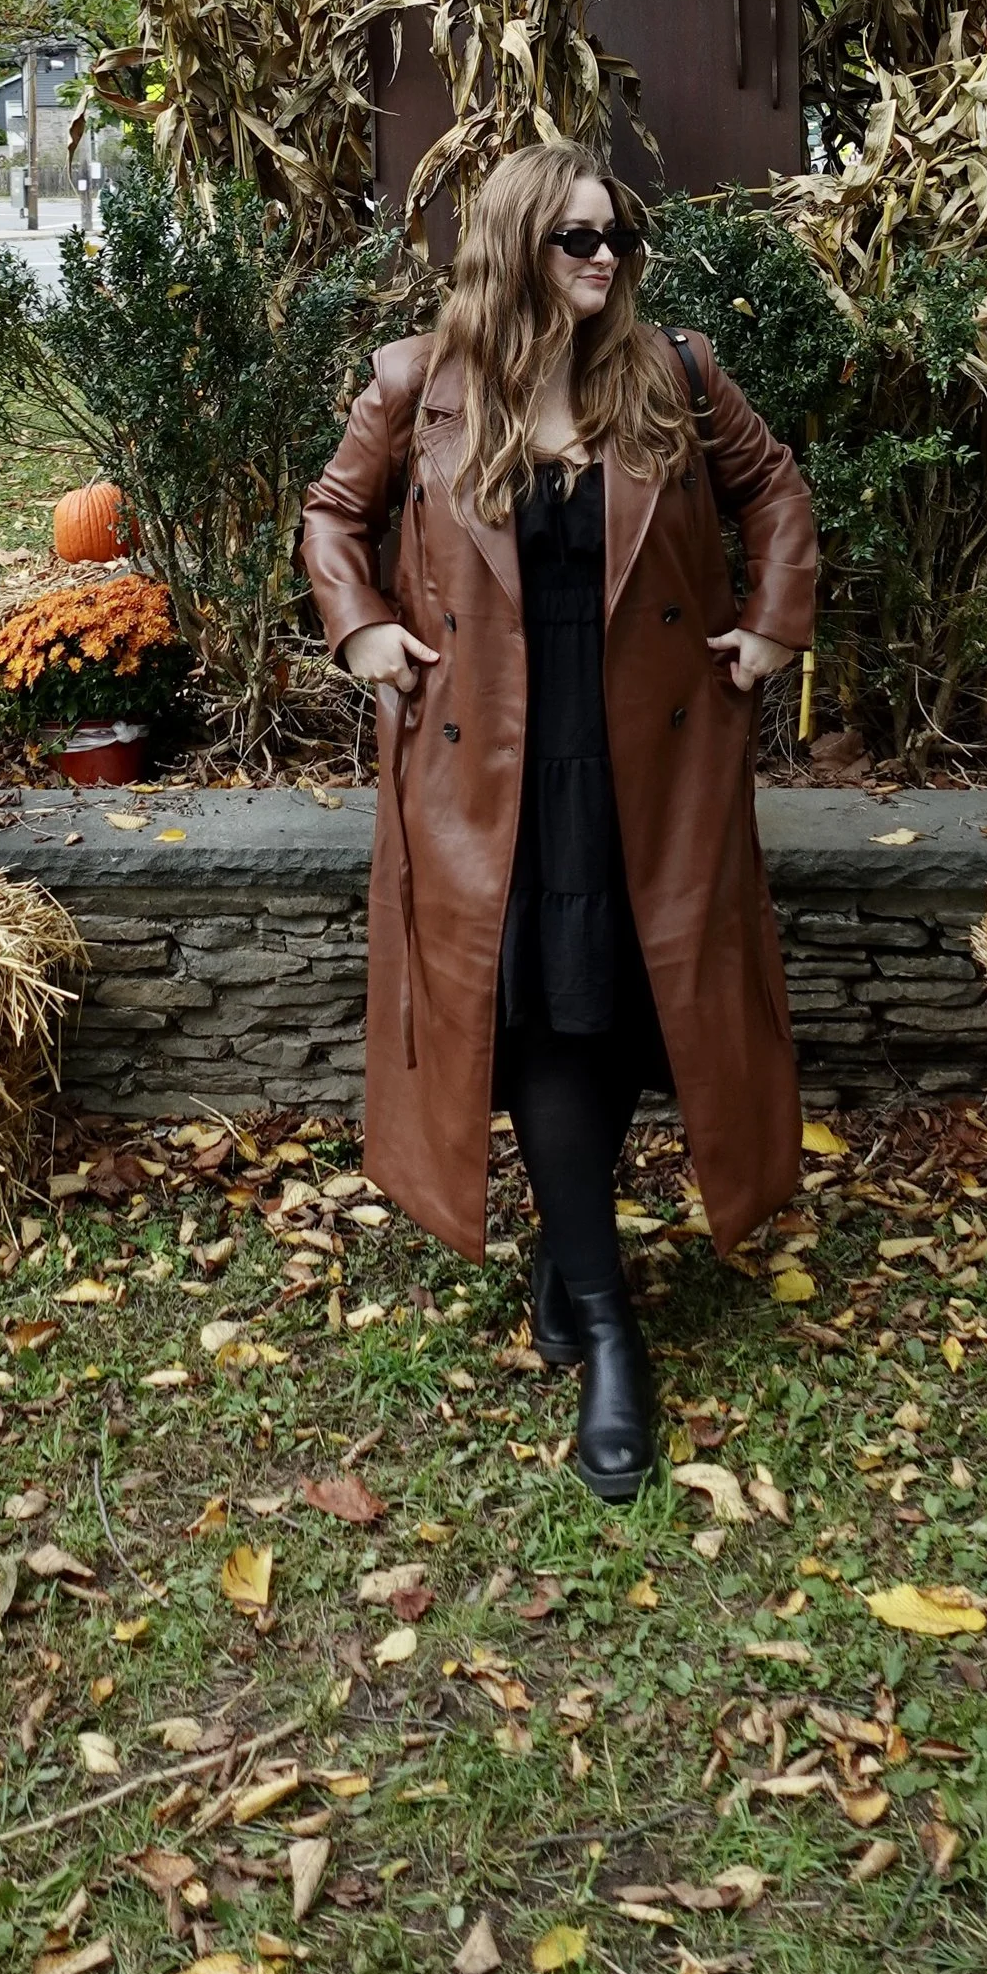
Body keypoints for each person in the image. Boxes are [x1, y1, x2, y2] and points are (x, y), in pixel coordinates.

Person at [302, 141, 817, 1501]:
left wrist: (770, 627)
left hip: (653, 760)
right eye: (576, 238)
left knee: (640, 1011)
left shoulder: (675, 375)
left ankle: (566, 1244)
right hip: (490, 771)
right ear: (516, 245)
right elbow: (332, 516)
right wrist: (360, 632)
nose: (605, 259)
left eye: (618, 238)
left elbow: (773, 489)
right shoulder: (422, 387)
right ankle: (606, 1321)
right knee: (537, 1014)